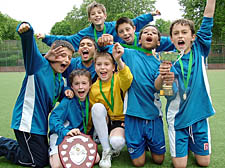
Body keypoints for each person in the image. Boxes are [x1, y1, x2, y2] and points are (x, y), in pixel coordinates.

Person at [0, 22, 74, 167]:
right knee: (37, 161)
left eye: (69, 57)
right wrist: (26, 30)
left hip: (40, 126)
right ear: (52, 53)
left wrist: (67, 92)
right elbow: (29, 46)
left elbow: (60, 94)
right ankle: (2, 144)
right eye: (62, 55)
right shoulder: (38, 64)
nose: (66, 60)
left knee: (43, 155)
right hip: (26, 123)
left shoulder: (59, 79)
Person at [155, 0, 216, 167]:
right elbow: (161, 90)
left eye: (184, 32)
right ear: (172, 38)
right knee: (180, 165)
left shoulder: (200, 49)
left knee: (204, 162)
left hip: (199, 114)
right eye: (176, 33)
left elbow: (208, 18)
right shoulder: (167, 59)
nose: (180, 36)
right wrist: (163, 77)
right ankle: (186, 143)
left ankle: (193, 142)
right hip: (177, 117)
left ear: (193, 37)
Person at [112, 24, 166, 167]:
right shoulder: (129, 53)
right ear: (140, 39)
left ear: (158, 42)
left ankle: (148, 142)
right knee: (138, 163)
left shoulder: (160, 62)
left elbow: (158, 87)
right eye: (146, 32)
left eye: (154, 33)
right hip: (133, 115)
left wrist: (162, 74)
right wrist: (110, 45)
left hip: (153, 115)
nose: (149, 33)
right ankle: (139, 142)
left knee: (159, 160)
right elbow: (111, 49)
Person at [37, 1, 160, 51]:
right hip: (100, 65)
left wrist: (150, 15)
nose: (97, 16)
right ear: (90, 18)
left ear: (105, 15)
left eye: (99, 13)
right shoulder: (85, 33)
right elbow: (68, 40)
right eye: (93, 14)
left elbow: (134, 22)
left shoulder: (114, 26)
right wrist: (46, 37)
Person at [89, 50, 133, 168]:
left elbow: (128, 78)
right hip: (107, 121)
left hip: (121, 121)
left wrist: (119, 60)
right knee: (97, 107)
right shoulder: (93, 88)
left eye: (106, 64)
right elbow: (93, 114)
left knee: (117, 142)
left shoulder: (119, 78)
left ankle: (113, 145)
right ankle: (106, 150)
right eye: (99, 64)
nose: (103, 68)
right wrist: (87, 134)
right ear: (95, 67)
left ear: (113, 67)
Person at [48, 69, 100, 168]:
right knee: (56, 166)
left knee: (96, 158)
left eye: (84, 83)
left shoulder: (91, 98)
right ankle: (52, 149)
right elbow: (54, 118)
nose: (80, 87)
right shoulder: (68, 100)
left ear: (90, 85)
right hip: (61, 135)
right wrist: (65, 131)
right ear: (71, 87)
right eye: (76, 84)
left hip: (78, 137)